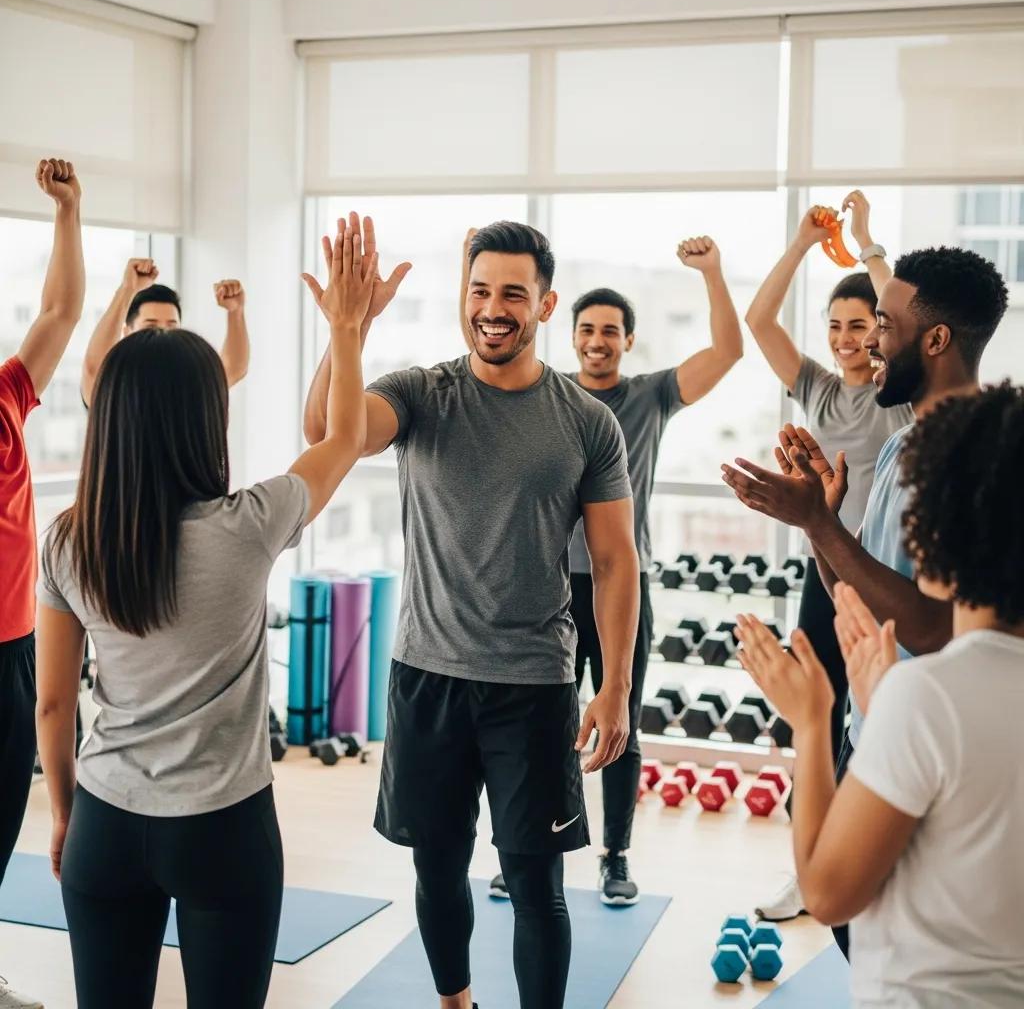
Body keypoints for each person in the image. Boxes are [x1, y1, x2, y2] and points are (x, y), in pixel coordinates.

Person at [35, 223, 377, 1009]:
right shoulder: (252, 523)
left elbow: (53, 705)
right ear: (206, 419)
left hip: (106, 822)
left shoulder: (68, 542)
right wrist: (347, 329)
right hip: (224, 829)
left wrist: (64, 816)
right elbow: (346, 435)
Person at [304, 215, 640, 1009]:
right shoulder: (421, 394)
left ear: (545, 305)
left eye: (513, 294)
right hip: (428, 674)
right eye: (480, 289)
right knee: (437, 864)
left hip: (533, 684)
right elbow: (327, 434)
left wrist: (617, 683)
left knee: (534, 878)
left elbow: (617, 560)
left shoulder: (586, 422)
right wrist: (346, 331)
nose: (494, 307)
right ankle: (456, 1003)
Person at [722, 245, 1009, 956]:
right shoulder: (901, 447)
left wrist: (818, 524)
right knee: (859, 936)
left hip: (926, 734)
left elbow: (942, 626)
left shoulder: (977, 456)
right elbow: (858, 604)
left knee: (859, 919)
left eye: (883, 323)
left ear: (936, 340)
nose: (870, 340)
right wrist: (821, 522)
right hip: (875, 722)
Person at [473, 233, 744, 906]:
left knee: (619, 720)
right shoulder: (546, 397)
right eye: (588, 330)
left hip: (620, 584)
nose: (598, 341)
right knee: (543, 724)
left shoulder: (651, 397)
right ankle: (528, 843)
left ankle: (615, 856)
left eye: (611, 332)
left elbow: (728, 353)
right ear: (568, 333)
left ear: (628, 341)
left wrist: (711, 273)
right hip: (546, 587)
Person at [735, 380, 1024, 1007]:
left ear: (930, 537)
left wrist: (812, 723)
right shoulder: (924, 695)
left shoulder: (929, 699)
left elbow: (827, 893)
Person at [744, 191, 912, 923]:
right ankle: (809, 866)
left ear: (880, 333)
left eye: (861, 326)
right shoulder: (814, 385)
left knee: (878, 721)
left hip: (884, 579)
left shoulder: (897, 395)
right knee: (816, 714)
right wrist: (804, 245)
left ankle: (875, 863)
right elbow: (758, 321)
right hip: (825, 571)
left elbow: (903, 317)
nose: (847, 339)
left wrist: (868, 245)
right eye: (836, 327)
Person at [0, 157, 84, 1009]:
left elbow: (60, 310)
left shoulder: (6, 397)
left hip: (13, 646)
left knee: (2, 812)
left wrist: (68, 212)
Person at [80, 260, 249, 406]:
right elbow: (94, 371)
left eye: (171, 326)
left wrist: (236, 312)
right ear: (127, 332)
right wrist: (127, 290)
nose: (162, 334)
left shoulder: (187, 383)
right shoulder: (120, 385)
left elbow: (232, 369)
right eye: (150, 327)